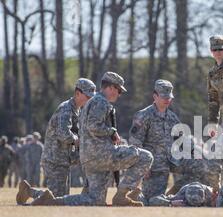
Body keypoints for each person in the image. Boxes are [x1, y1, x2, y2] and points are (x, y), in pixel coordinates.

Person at [17, 72, 153, 206]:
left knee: (93, 200)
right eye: (118, 90)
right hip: (58, 158)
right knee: (146, 157)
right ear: (110, 88)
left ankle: (36, 195)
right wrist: (111, 131)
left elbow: (87, 129)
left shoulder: (84, 107)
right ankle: (122, 194)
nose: (119, 94)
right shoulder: (82, 106)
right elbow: (69, 131)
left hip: (78, 158)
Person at [39, 78, 96, 197]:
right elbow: (63, 133)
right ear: (77, 93)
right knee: (56, 198)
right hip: (54, 160)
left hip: (63, 160)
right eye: (87, 96)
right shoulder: (66, 109)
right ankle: (30, 192)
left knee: (60, 197)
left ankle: (28, 191)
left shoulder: (78, 110)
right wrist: (78, 140)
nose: (90, 99)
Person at [128, 79, 181, 203]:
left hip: (168, 167)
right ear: (155, 96)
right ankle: (134, 196)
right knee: (151, 200)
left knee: (159, 199)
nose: (167, 99)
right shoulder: (144, 115)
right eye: (163, 96)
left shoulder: (173, 118)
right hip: (151, 169)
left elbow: (180, 142)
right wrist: (144, 167)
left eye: (169, 97)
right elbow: (135, 142)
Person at [144, 182, 218, 207]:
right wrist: (170, 202)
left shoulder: (212, 195)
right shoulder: (180, 198)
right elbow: (152, 200)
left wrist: (216, 202)